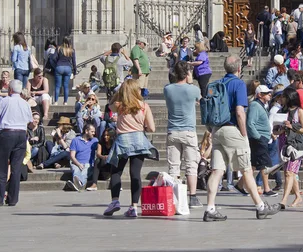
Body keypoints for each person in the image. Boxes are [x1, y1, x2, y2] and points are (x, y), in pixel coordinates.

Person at [202, 55, 281, 222]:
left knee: (216, 171)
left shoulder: (216, 84)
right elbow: (239, 111)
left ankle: (210, 208)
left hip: (217, 130)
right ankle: (260, 207)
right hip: (232, 129)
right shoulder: (238, 84)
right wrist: (244, 134)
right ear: (239, 69)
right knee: (246, 170)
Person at [104, 79, 155, 218]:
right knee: (135, 173)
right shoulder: (144, 106)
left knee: (116, 171)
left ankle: (115, 201)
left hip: (123, 141)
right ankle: (134, 206)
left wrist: (119, 92)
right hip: (139, 140)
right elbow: (152, 128)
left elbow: (109, 105)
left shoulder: (119, 105)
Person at [0, 79, 32, 206]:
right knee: (16, 168)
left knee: (1, 167)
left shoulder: (5, 101)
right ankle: (13, 199)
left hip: (7, 133)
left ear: (10, 90)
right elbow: (30, 122)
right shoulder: (25, 103)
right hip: (21, 135)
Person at [163, 61, 203, 208]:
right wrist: (190, 81)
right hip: (188, 131)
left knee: (174, 166)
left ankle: (174, 197)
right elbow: (199, 100)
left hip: (173, 130)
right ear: (187, 74)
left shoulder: (167, 89)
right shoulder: (193, 89)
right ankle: (192, 196)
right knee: (191, 165)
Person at [276, 87, 303, 208]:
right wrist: (279, 128)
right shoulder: (281, 111)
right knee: (288, 173)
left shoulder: (299, 111)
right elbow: (276, 132)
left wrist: (291, 126)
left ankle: (283, 200)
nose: (281, 99)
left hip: (295, 145)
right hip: (283, 144)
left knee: (289, 172)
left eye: (283, 96)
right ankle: (298, 196)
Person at [247, 85, 277, 197]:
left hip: (261, 138)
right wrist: (258, 137)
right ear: (260, 95)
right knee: (265, 164)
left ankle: (241, 185)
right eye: (266, 93)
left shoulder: (261, 105)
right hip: (259, 139)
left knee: (255, 164)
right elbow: (250, 123)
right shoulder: (255, 105)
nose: (269, 94)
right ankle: (266, 188)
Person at [66, 123, 99, 191]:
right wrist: (78, 164)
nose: (94, 133)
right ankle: (79, 184)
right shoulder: (76, 140)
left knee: (85, 171)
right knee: (76, 170)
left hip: (88, 164)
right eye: (92, 131)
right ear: (86, 131)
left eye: (94, 132)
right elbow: (72, 156)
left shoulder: (95, 141)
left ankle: (77, 184)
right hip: (76, 162)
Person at [53, 36, 77, 105]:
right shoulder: (72, 50)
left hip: (59, 67)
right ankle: (65, 102)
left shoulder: (59, 48)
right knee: (66, 86)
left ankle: (56, 101)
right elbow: (74, 62)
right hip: (68, 68)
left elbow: (54, 58)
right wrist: (74, 72)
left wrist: (57, 63)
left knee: (58, 85)